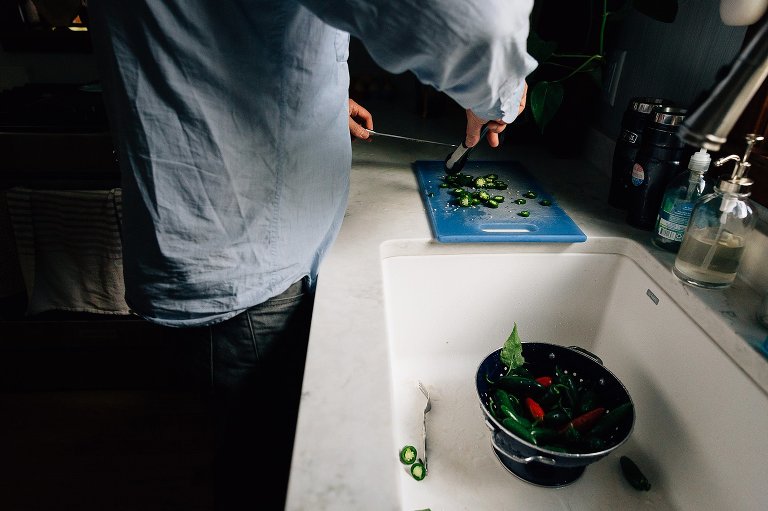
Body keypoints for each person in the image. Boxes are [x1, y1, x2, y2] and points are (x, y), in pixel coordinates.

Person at [87, 1, 537, 509]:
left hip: (210, 240)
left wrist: (310, 95)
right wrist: (500, 95)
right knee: (267, 477)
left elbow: (215, 37)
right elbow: (477, 26)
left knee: (238, 452)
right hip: (249, 271)